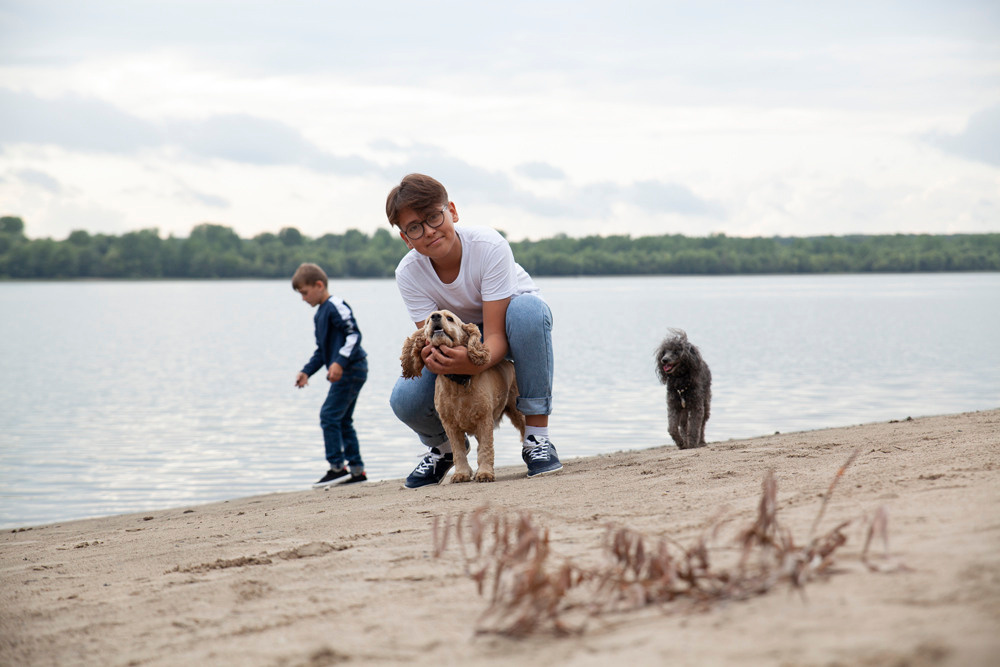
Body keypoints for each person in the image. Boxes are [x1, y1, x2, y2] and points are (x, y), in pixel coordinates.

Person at [385, 173, 562, 488]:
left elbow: (495, 336)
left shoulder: (488, 246)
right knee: (404, 398)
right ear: (406, 238)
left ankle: (537, 437)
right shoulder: (408, 273)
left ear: (451, 211)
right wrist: (437, 358)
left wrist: (472, 361)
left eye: (433, 217)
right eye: (414, 227)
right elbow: (431, 336)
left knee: (528, 312)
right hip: (457, 336)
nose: (428, 231)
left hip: (509, 324)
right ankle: (444, 450)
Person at [292, 262, 369, 487]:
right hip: (346, 369)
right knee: (342, 419)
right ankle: (356, 472)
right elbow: (322, 351)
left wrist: (340, 362)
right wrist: (307, 371)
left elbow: (353, 334)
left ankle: (337, 468)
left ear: (319, 285)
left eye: (305, 293)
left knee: (329, 416)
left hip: (353, 368)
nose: (303, 298)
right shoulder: (319, 315)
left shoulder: (335, 305)